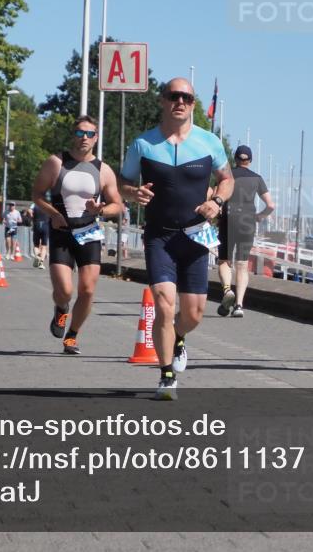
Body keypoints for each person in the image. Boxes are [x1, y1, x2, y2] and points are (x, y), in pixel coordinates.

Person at [119, 78, 234, 400]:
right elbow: (122, 181)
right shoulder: (143, 144)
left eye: (186, 97)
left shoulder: (209, 142)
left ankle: (179, 338)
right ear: (163, 101)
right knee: (164, 306)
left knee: (194, 313)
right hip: (160, 237)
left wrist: (218, 202)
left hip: (196, 236)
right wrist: (132, 192)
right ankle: (167, 375)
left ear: (193, 104)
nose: (179, 101)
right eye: (173, 96)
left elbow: (227, 180)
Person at [32, 116, 123, 355]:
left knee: (88, 290)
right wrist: (53, 213)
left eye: (90, 134)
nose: (84, 138)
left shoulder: (103, 170)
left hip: (89, 233)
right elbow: (37, 194)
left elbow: (118, 205)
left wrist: (100, 209)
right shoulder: (56, 162)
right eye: (80, 133)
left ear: (96, 138)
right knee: (65, 291)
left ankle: (72, 335)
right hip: (62, 230)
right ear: (73, 135)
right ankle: (61, 309)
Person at [216, 145, 274, 318]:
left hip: (228, 219)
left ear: (235, 159)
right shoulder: (257, 179)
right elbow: (270, 205)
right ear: (250, 160)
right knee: (242, 264)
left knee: (225, 260)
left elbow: (215, 196)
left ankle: (227, 290)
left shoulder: (227, 176)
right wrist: (259, 216)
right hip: (247, 222)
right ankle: (239, 305)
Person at [31, 200, 51, 269]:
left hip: (36, 225)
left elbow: (29, 211)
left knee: (36, 245)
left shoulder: (35, 204)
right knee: (44, 246)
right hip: (45, 226)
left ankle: (37, 256)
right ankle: (41, 262)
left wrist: (32, 217)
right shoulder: (48, 205)